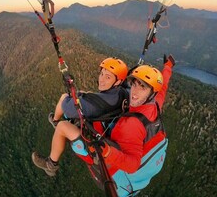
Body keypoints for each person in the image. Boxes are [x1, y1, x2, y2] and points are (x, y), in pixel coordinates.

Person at [31, 54, 175, 191]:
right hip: (129, 150)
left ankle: (51, 165)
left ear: (151, 93)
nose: (134, 92)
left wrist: (107, 151)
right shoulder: (154, 104)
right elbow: (163, 87)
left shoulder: (132, 124)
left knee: (62, 126)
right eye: (134, 85)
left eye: (142, 87)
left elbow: (132, 165)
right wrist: (168, 67)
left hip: (109, 166)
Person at [32, 57, 129, 175]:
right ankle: (55, 121)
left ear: (118, 81)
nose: (101, 79)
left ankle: (51, 165)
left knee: (63, 120)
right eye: (102, 74)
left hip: (96, 147)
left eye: (108, 77)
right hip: (104, 128)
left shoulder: (99, 104)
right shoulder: (122, 92)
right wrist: (84, 95)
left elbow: (68, 109)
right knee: (83, 94)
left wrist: (74, 96)